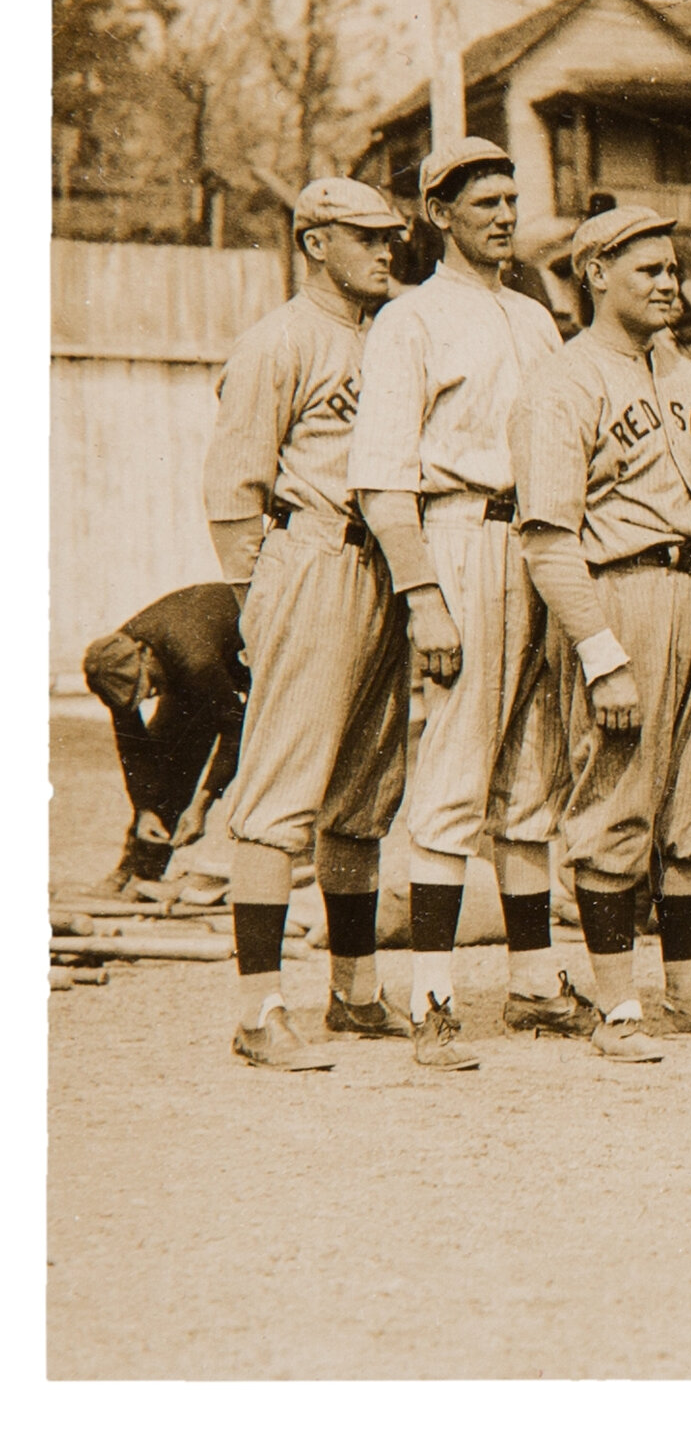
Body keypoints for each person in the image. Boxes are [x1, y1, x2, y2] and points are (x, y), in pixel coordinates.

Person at [509, 204, 691, 1060]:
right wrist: (601, 654)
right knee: (615, 805)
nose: (670, 284)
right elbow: (549, 540)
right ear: (596, 274)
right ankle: (617, 1006)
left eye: (674, 270)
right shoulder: (563, 383)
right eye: (650, 271)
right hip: (619, 590)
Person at [349, 136, 579, 1070]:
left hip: (541, 539)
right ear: (437, 215)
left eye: (510, 200)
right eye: (480, 202)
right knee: (451, 767)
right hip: (459, 535)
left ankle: (532, 982)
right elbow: (380, 477)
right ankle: (434, 997)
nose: (501, 215)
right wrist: (425, 596)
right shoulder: (410, 320)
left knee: (533, 774)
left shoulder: (536, 318)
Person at [197, 178, 416, 1069]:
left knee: (364, 791)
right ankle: (257, 1012)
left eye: (390, 236)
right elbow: (232, 487)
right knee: (282, 788)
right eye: (365, 235)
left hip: (387, 563)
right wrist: (262, 600)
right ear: (314, 240)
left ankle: (354, 992)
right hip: (313, 549)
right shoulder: (279, 340)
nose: (385, 249)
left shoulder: (391, 337)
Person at [80, 584, 247, 898]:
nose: (150, 696)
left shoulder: (194, 660)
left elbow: (236, 729)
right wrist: (144, 809)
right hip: (188, 659)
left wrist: (202, 803)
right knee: (166, 754)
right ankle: (140, 870)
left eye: (151, 687)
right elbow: (133, 746)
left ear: (146, 655)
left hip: (243, 652)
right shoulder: (113, 659)